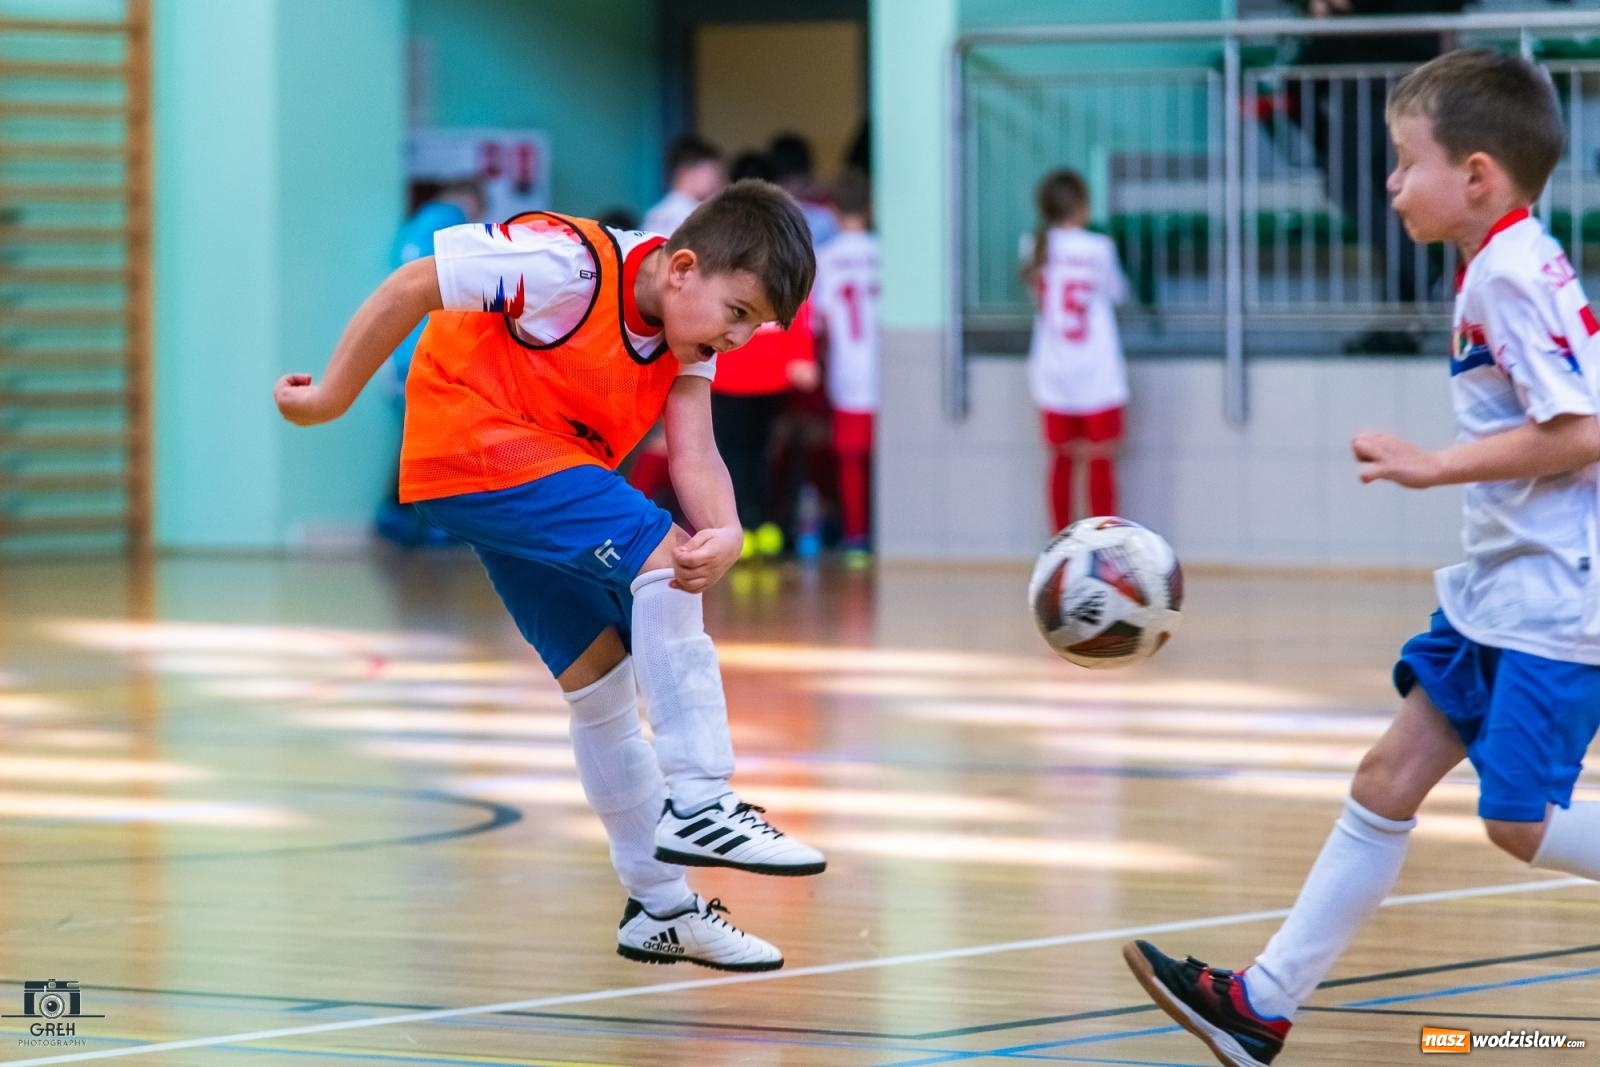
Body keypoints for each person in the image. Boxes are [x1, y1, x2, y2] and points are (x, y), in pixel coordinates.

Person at [1124, 50, 1600, 1067]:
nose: (1388, 181)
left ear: (1475, 174)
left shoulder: (1510, 273)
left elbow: (1582, 427)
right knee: (1386, 777)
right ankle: (1259, 1003)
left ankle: (1262, 998)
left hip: (1558, 595)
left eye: (1401, 160)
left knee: (1517, 820)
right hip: (1497, 587)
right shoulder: (1502, 260)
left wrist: (1436, 465)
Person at [273, 181, 826, 972]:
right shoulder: (565, 264)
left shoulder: (690, 338)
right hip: (471, 447)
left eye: (754, 325)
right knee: (661, 557)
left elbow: (695, 450)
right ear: (682, 269)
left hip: (521, 477)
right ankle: (702, 796)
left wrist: (729, 528)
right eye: (737, 312)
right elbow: (412, 283)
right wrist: (331, 396)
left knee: (599, 675)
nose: (739, 336)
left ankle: (659, 906)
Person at [375, 179, 485, 547]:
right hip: (434, 351)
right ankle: (421, 517)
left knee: (416, 437)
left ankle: (405, 516)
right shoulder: (453, 223)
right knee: (438, 440)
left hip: (398, 352)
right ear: (470, 200)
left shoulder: (411, 229)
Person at [1021, 169, 1130, 532]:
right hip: (1097, 369)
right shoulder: (1099, 248)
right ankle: (1104, 546)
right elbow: (1118, 293)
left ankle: (1061, 548)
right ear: (1082, 206)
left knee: (1062, 460)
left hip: (1053, 369)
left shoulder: (1032, 246)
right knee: (1100, 459)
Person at [810, 168, 879, 561]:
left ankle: (856, 536)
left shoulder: (828, 257)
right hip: (884, 372)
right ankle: (886, 532)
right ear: (870, 209)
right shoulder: (887, 253)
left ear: (834, 211)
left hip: (848, 369)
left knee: (851, 457)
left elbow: (817, 320)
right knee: (881, 457)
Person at [643, 135, 724, 238]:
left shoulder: (654, 214)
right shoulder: (697, 216)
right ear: (686, 172)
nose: (717, 180)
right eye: (712, 171)